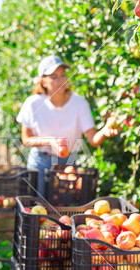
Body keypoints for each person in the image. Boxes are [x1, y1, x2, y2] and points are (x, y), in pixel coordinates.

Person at [16, 55, 121, 197]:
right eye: (54, 77)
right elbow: (26, 139)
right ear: (43, 81)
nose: (60, 80)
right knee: (37, 208)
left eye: (63, 75)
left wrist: (106, 129)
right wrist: (50, 141)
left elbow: (93, 140)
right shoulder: (33, 103)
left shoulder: (79, 103)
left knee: (64, 208)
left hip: (68, 164)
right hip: (40, 162)